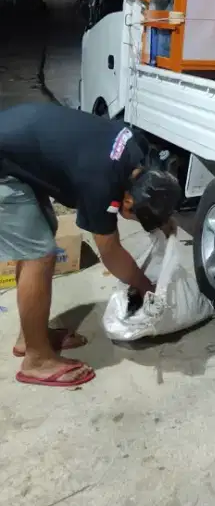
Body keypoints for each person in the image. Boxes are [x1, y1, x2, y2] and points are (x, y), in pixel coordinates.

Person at [0, 102, 181, 388]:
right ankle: (36, 360)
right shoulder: (100, 184)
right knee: (40, 254)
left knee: (43, 234)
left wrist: (162, 220)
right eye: (132, 215)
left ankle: (30, 336)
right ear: (129, 201)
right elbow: (110, 252)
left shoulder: (137, 149)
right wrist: (145, 286)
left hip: (21, 141)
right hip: (4, 166)